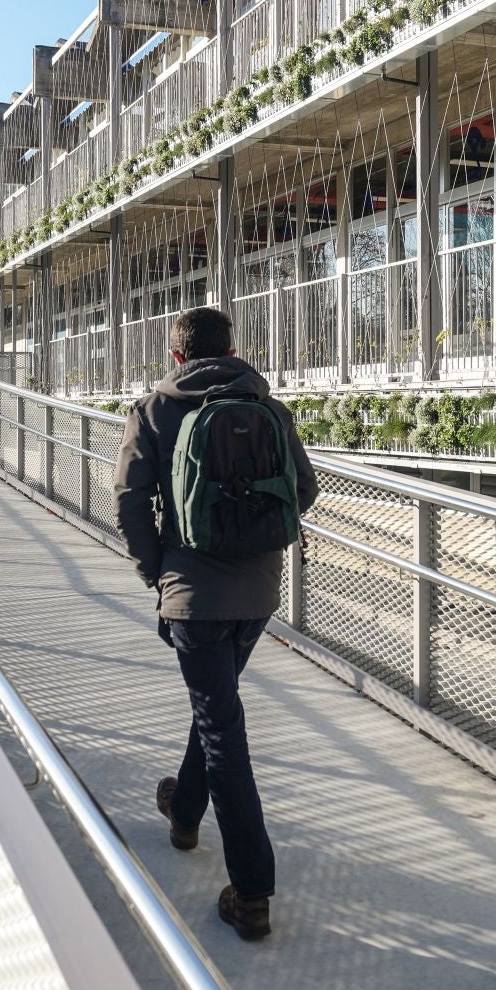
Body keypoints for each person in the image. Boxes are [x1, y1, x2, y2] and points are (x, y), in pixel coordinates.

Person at [112, 305, 318, 941]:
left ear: (177, 356)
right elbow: (304, 490)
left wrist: (157, 571)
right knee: (216, 713)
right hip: (258, 594)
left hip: (193, 596)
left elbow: (128, 501)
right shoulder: (268, 406)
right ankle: (182, 812)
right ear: (231, 350)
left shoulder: (154, 408)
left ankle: (252, 891)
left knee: (222, 730)